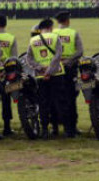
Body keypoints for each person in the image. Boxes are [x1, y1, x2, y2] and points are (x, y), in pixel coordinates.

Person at [26, 18, 67, 140]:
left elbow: (29, 59)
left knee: (43, 103)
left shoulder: (33, 40)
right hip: (57, 74)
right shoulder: (55, 38)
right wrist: (50, 70)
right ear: (50, 27)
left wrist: (40, 68)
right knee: (59, 102)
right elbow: (58, 55)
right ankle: (61, 129)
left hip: (40, 75)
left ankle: (44, 130)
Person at [54, 10, 84, 138]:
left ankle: (55, 127)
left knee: (56, 99)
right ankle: (71, 128)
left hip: (55, 70)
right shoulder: (73, 33)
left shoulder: (52, 33)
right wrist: (68, 60)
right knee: (71, 98)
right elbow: (80, 51)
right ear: (67, 20)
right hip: (70, 69)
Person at [0, 14, 18, 136]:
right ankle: (7, 127)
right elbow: (14, 57)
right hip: (7, 72)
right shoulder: (11, 38)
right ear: (5, 24)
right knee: (6, 101)